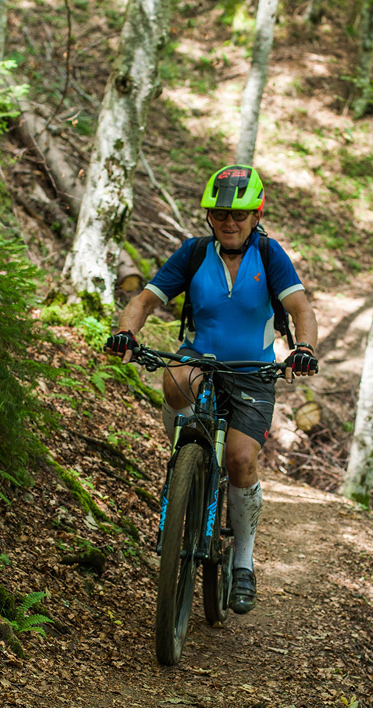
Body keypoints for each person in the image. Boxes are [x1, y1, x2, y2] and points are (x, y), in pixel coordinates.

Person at [102, 165, 319, 615]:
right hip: (199, 360)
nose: (229, 222)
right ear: (209, 216)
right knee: (175, 376)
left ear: (256, 215)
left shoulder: (269, 255)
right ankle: (187, 456)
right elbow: (144, 301)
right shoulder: (195, 252)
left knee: (240, 460)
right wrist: (126, 333)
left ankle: (243, 562)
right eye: (220, 214)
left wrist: (304, 348)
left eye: (239, 214)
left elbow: (301, 309)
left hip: (253, 372)